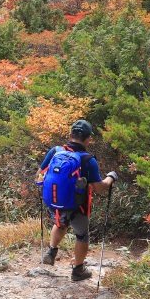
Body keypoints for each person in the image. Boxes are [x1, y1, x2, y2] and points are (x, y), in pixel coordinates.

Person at [38, 119, 118, 281]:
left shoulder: (54, 151)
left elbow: (39, 175)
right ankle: (78, 270)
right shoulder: (88, 160)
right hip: (78, 205)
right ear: (88, 139)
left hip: (54, 203)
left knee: (60, 223)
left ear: (70, 135)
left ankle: (51, 251)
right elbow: (99, 188)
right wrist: (111, 178)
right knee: (82, 235)